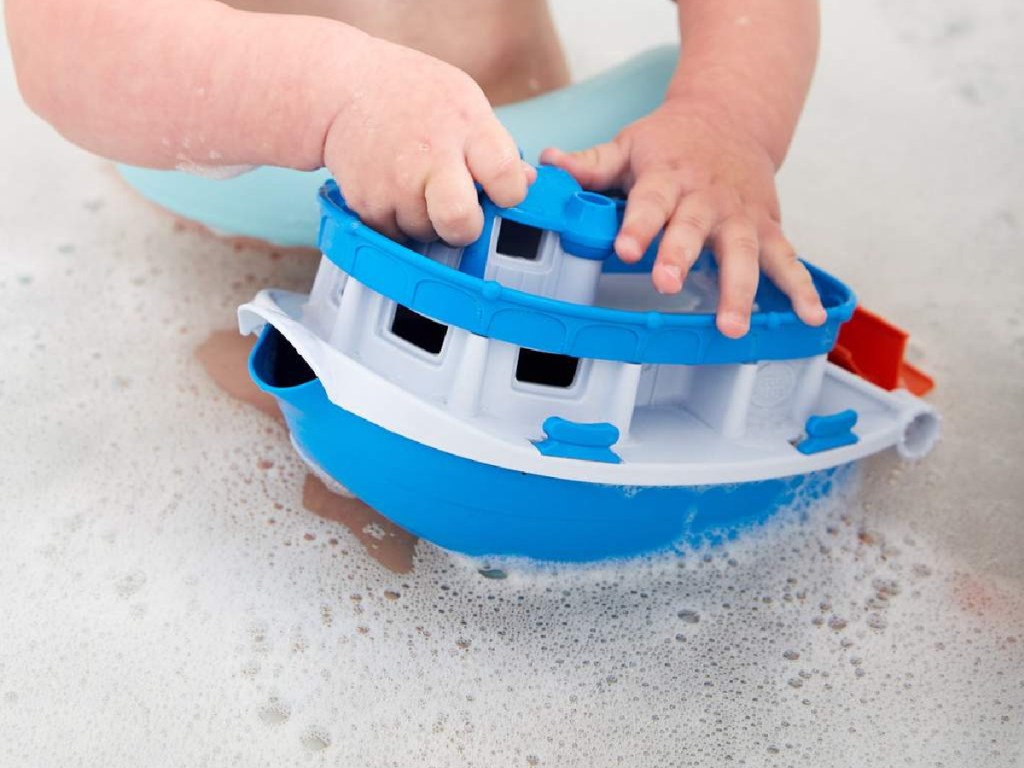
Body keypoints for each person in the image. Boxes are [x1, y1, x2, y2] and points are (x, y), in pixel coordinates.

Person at [5, 0, 827, 338]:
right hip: (266, 213)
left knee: (741, 316)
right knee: (326, 451)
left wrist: (724, 114)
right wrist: (333, 100)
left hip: (541, 166)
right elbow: (67, 40)